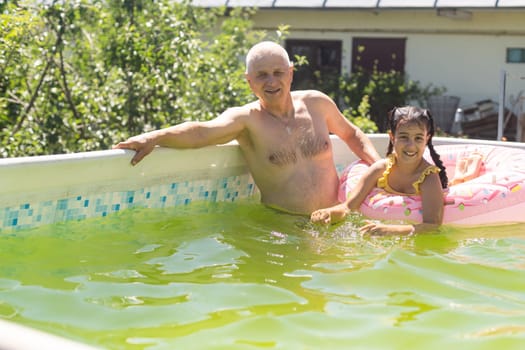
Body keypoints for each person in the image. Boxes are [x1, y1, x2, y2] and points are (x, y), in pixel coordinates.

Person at [113, 41, 381, 215]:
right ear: (249, 81)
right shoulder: (246, 121)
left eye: (278, 73)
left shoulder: (317, 103)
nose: (271, 81)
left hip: (336, 218)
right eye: (262, 75)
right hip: (284, 231)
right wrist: (155, 137)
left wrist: (383, 168)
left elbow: (352, 134)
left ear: (290, 72)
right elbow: (201, 133)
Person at [311, 106, 448, 235]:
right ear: (392, 137)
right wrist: (327, 213)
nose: (411, 146)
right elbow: (347, 208)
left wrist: (390, 231)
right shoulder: (380, 170)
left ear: (427, 139)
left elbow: (433, 226)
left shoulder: (429, 178)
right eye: (404, 137)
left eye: (418, 138)